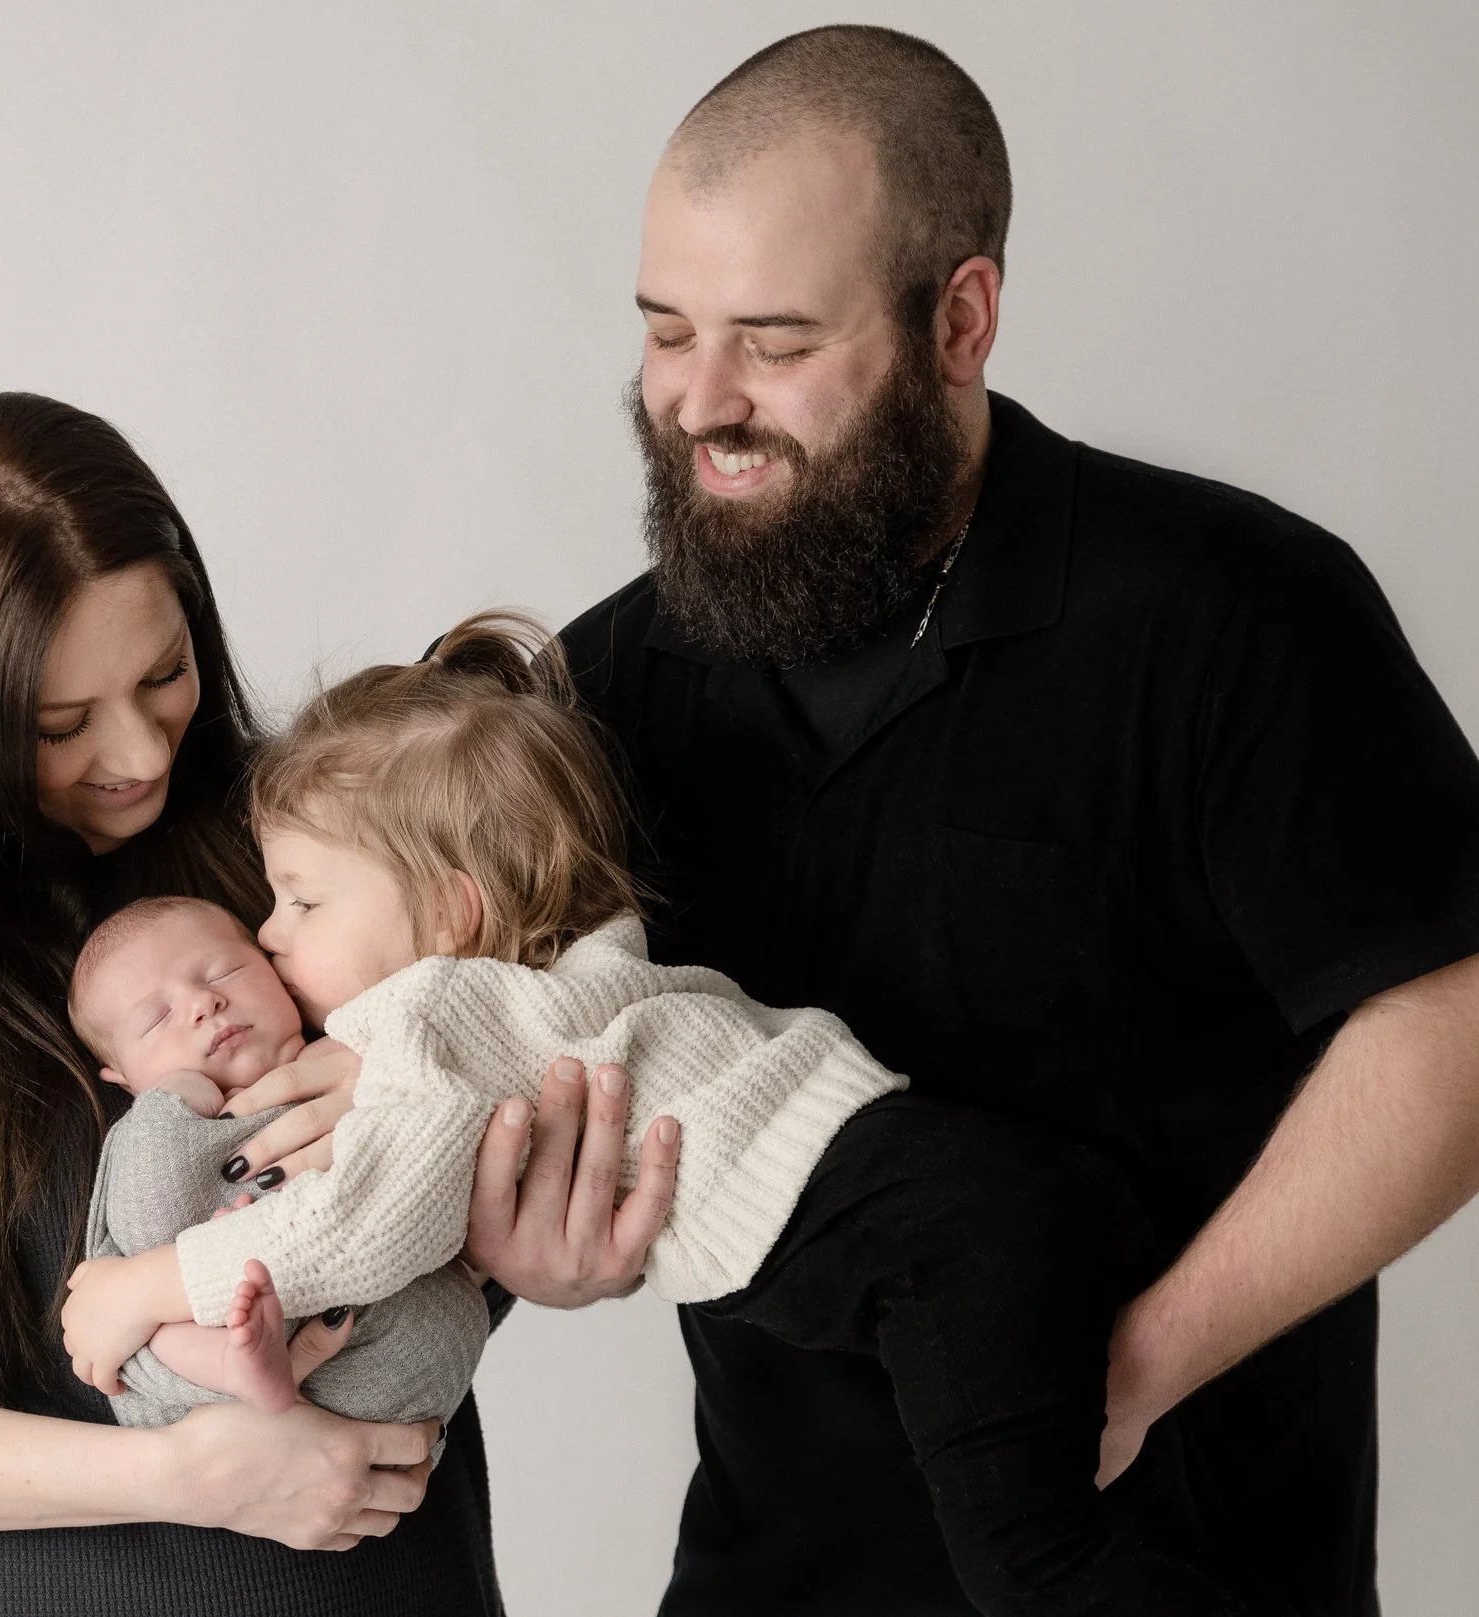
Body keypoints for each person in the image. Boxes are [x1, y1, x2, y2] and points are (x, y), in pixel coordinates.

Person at [517, 24, 1479, 1615]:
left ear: (960, 318)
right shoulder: (601, 683)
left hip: (1183, 1561)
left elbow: (1452, 1016)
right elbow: (492, 1044)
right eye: (665, 330)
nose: (701, 402)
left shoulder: (1233, 613)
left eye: (773, 339)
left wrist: (1132, 1367)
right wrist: (548, 1246)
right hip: (774, 1579)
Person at [67, 613, 1260, 1614]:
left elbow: (363, 1229)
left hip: (939, 1247)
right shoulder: (578, 970)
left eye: (303, 902)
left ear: (454, 915)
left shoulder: (426, 1017)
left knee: (1032, 1567)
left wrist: (145, 1285)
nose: (268, 937)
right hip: (987, 1191)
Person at [0, 392, 504, 1616]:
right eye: (59, 724)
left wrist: (472, 1151)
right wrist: (178, 1475)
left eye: (165, 675)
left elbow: (428, 1243)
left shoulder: (290, 848)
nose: (141, 755)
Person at [68, 895, 494, 1435]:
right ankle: (233, 1364)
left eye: (225, 971)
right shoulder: (147, 1138)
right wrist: (169, 1101)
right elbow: (115, 1274)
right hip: (210, 1397)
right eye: (155, 1020)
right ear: (122, 1078)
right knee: (143, 1275)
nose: (202, 1002)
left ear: (278, 973)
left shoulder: (365, 1045)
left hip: (396, 1372)